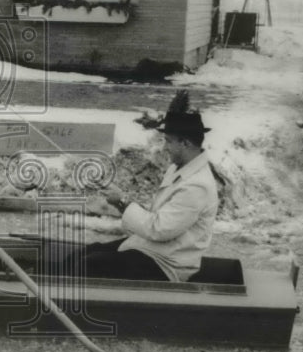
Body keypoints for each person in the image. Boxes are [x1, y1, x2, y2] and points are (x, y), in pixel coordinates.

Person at [76, 94, 219, 282]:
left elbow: (159, 229)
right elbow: (158, 218)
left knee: (89, 264)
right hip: (155, 250)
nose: (164, 147)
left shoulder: (198, 186)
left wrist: (123, 202)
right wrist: (121, 202)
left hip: (168, 264)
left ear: (185, 143)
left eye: (168, 141)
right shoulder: (179, 168)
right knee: (89, 251)